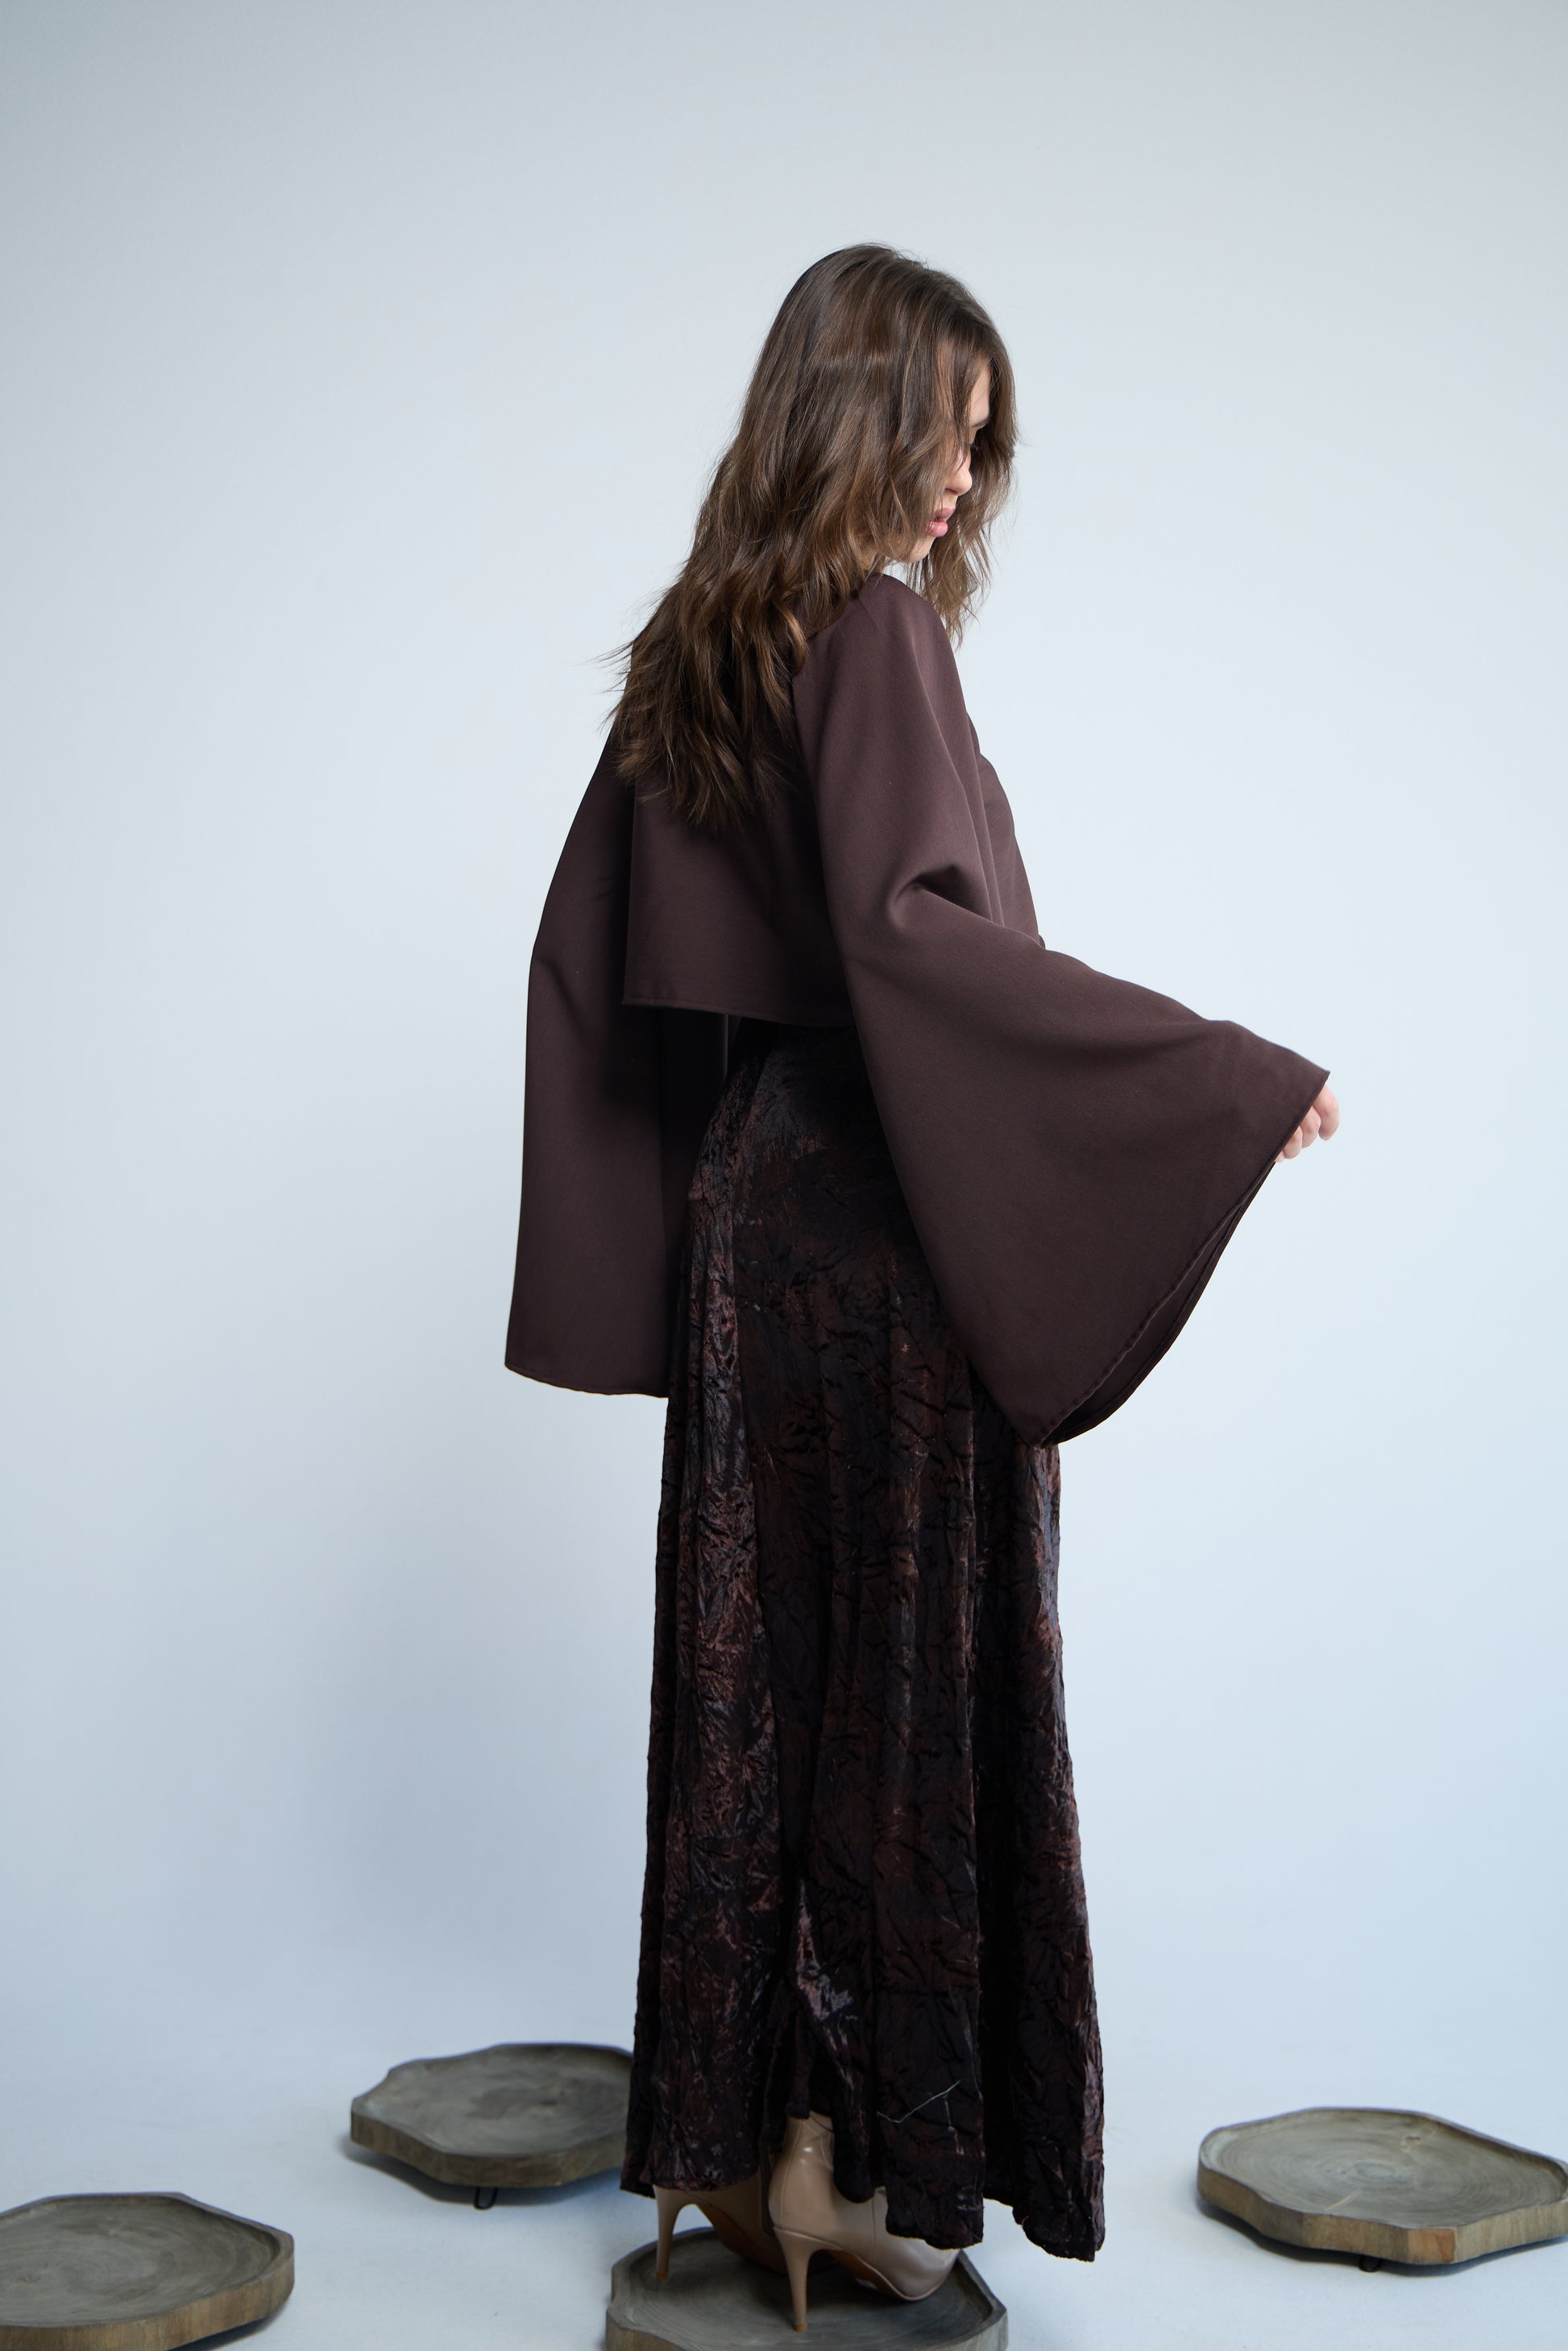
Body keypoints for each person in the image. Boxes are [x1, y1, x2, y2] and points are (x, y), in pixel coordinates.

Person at [505, 244, 1337, 2328]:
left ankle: (734, 2144)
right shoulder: (871, 630)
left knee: (762, 1670)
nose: (961, 480)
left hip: (751, 1218)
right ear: (847, 410)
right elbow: (915, 941)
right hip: (883, 1214)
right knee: (898, 1677)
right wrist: (1220, 1080)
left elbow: (589, 961)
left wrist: (676, 1221)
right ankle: (828, 2157)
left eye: (983, 445)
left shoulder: (699, 643)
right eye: (939, 431)